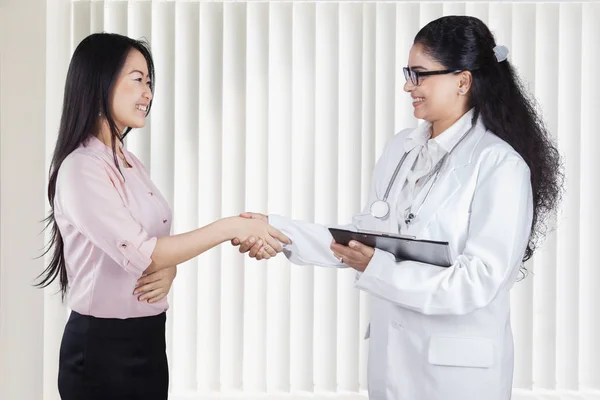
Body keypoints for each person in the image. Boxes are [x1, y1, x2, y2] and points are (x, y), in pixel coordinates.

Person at [233, 16, 563, 400]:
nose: (408, 85)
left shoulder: (499, 165)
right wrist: (278, 230)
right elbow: (364, 240)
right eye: (408, 73)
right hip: (393, 364)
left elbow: (477, 283)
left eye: (419, 74)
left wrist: (376, 266)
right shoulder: (402, 148)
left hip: (457, 378)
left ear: (463, 80)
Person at [35, 32, 290, 400]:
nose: (148, 95)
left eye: (150, 83)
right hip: (103, 352)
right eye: (137, 80)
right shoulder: (81, 168)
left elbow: (147, 247)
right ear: (99, 81)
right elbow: (143, 251)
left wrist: (168, 267)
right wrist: (231, 227)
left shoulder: (126, 160)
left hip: (148, 340)